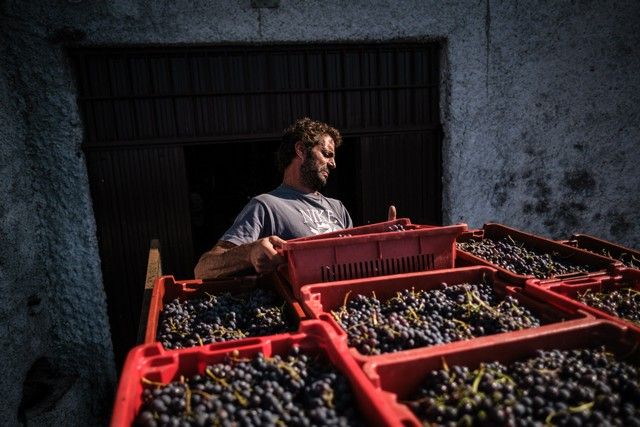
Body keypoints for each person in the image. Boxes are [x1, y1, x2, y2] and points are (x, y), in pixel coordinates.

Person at [194, 117, 396, 279]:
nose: (333, 164)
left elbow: (355, 264)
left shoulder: (338, 208)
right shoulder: (266, 205)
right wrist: (249, 252)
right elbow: (203, 269)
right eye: (326, 154)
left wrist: (382, 243)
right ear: (300, 150)